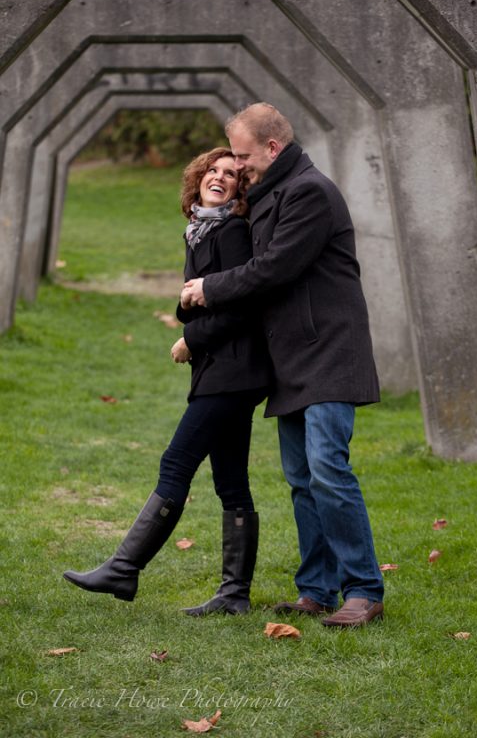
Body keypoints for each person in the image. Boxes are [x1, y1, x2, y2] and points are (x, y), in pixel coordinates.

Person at [181, 103, 384, 628]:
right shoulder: (272, 193)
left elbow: (273, 270)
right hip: (291, 357)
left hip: (329, 352)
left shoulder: (309, 192)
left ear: (273, 148)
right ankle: (315, 589)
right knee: (300, 478)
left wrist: (208, 289)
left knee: (328, 470)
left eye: (244, 156)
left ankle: (363, 589)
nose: (238, 166)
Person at [63, 147, 270, 615]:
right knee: (232, 481)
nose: (219, 177)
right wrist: (190, 314)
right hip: (225, 371)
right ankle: (234, 596)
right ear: (197, 178)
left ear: (240, 189)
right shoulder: (201, 231)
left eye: (230, 174)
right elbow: (193, 298)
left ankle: (123, 568)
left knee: (176, 463)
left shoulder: (232, 231)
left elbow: (242, 307)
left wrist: (190, 339)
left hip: (233, 370)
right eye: (211, 170)